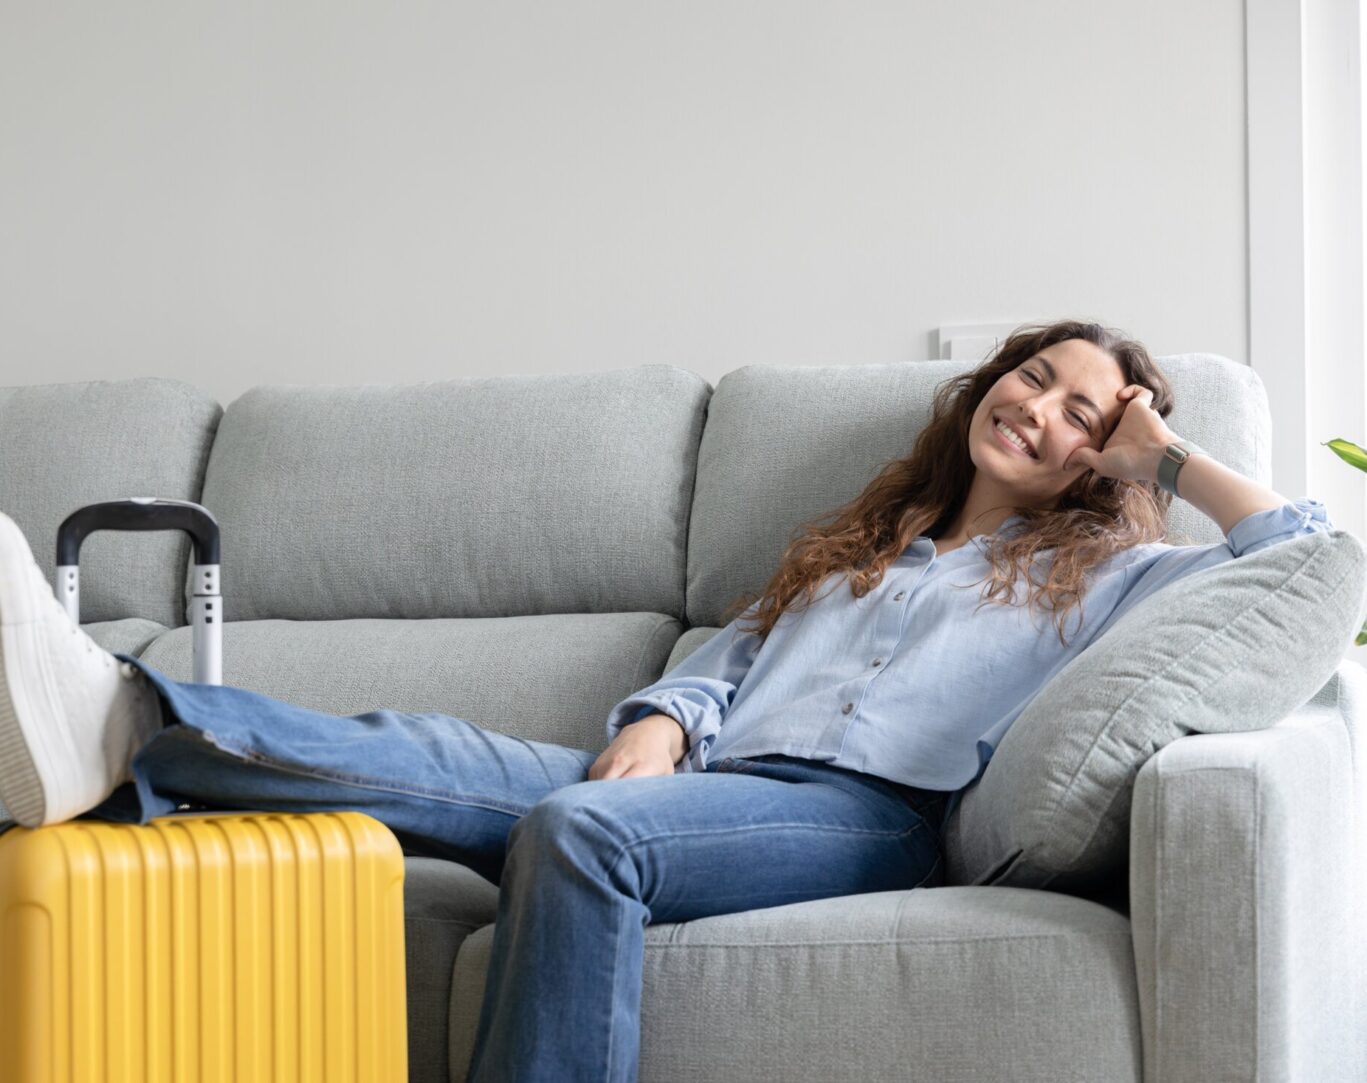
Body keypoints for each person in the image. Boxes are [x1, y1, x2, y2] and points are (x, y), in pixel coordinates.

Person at [0, 318, 1333, 1083]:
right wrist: (660, 719)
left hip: (866, 816)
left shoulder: (1109, 576)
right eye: (1035, 376)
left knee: (581, 833)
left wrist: (1169, 456)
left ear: (1102, 460)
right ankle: (120, 720)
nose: (1041, 409)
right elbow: (728, 661)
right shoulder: (868, 545)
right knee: (430, 749)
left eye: (1082, 414)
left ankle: (119, 725)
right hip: (703, 776)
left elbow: (1307, 558)